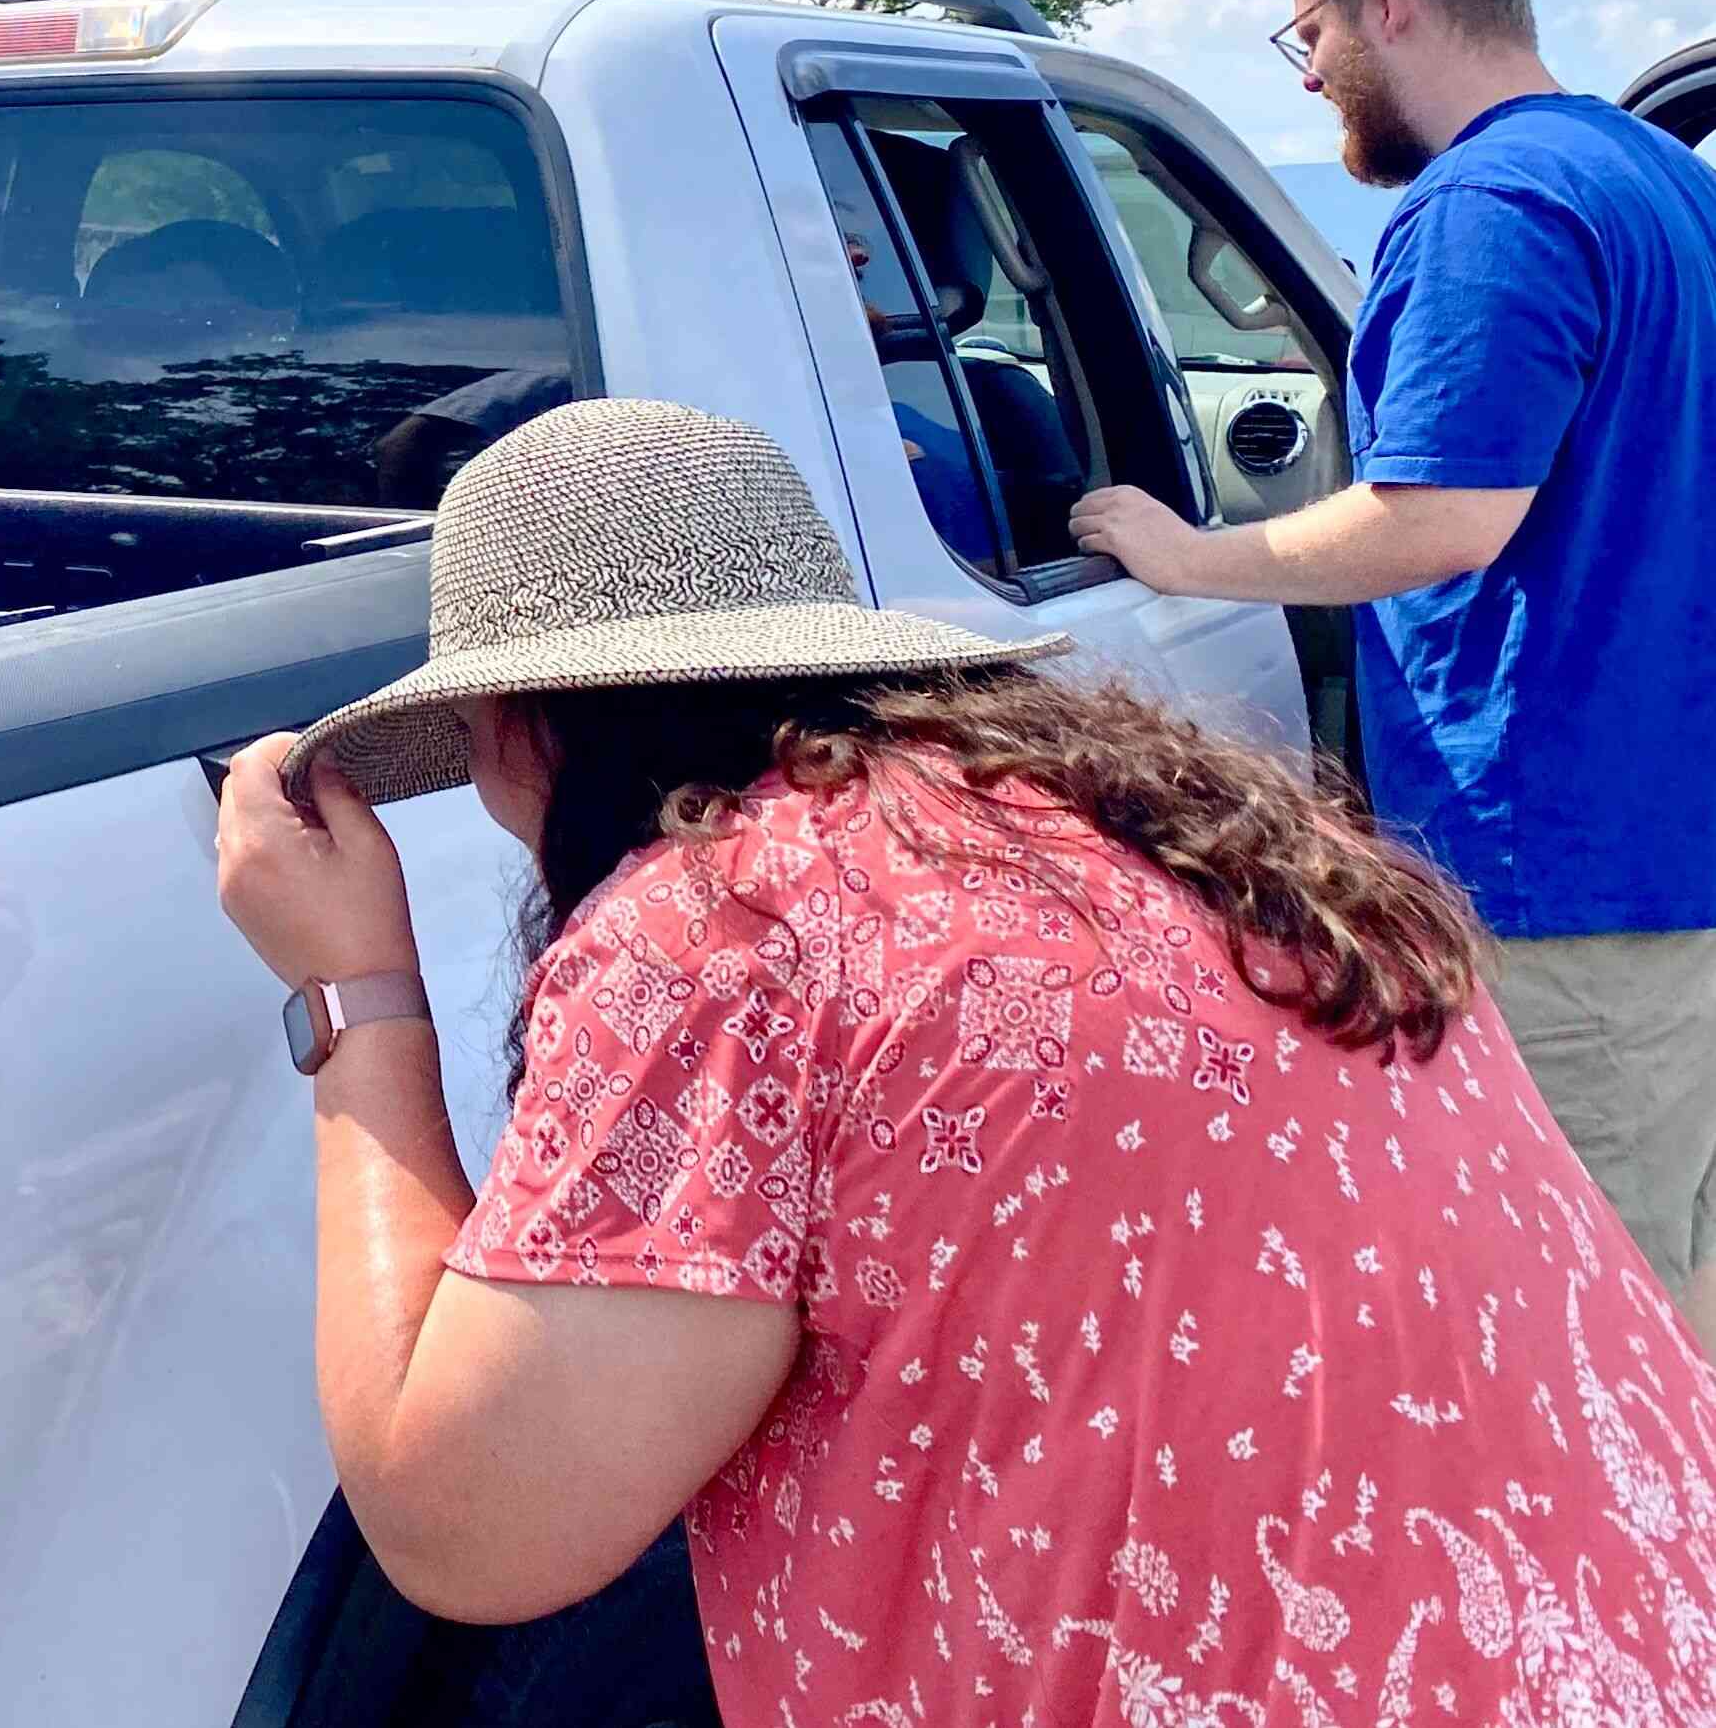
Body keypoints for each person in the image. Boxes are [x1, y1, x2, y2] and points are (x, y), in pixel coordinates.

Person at [214, 398, 1716, 1722]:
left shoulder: (723, 924)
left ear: (513, 723)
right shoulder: (1194, 829)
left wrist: (355, 994)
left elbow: (468, 1521)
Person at [1068, 0, 1716, 1339]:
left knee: (1575, 1323)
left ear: (1387, 2)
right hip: (1669, 843)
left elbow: (1442, 513)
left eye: (1306, 32)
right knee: (1674, 1280)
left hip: (1560, 867)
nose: (1306, 73)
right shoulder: (1662, 176)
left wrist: (1186, 555)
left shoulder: (1490, 201)